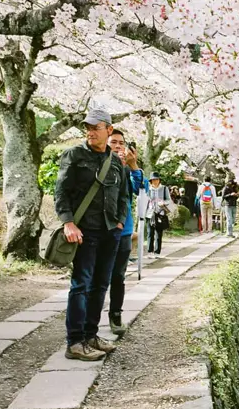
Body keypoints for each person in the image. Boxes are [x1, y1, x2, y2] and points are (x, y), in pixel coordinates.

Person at [54, 109, 128, 362]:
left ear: (109, 129)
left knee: (100, 285)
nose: (90, 131)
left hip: (110, 232)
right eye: (88, 127)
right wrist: (68, 223)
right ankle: (75, 342)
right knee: (81, 285)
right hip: (84, 232)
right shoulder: (73, 155)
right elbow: (61, 192)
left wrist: (119, 222)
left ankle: (91, 335)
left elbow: (124, 195)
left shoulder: (116, 161)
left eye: (96, 127)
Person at [107, 130, 146, 335]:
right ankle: (89, 321)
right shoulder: (99, 164)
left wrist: (132, 166)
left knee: (118, 276)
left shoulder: (127, 169)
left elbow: (140, 189)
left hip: (123, 231)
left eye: (121, 143)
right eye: (113, 142)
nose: (118, 146)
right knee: (96, 277)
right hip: (100, 230)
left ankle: (115, 316)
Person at [147, 172, 172, 255]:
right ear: (151, 180)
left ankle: (157, 252)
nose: (155, 181)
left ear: (159, 180)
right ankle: (150, 251)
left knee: (158, 233)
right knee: (150, 233)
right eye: (153, 179)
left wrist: (163, 203)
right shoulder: (148, 189)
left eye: (157, 179)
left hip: (160, 213)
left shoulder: (164, 188)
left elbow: (169, 200)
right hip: (150, 213)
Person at [221, 173, 239, 238]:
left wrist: (237, 195)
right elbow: (223, 196)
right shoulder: (225, 188)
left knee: (233, 220)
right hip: (227, 205)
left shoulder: (235, 188)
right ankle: (229, 233)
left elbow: (236, 197)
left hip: (234, 204)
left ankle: (230, 232)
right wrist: (230, 195)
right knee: (229, 219)